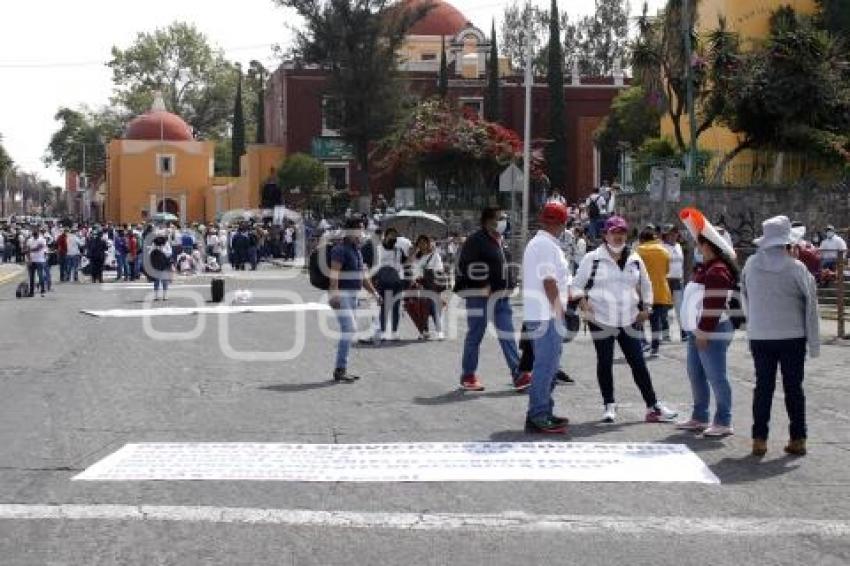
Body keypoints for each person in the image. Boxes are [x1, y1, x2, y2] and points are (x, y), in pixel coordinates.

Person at [573, 215, 678, 424]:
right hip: (600, 319)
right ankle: (609, 405)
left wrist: (647, 307)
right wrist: (584, 304)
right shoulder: (592, 258)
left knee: (638, 363)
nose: (619, 236)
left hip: (629, 319)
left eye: (622, 232)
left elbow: (647, 285)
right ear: (605, 235)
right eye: (614, 232)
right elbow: (575, 286)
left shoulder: (635, 258)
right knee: (605, 362)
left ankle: (652, 406)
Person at [742, 216, 820, 457]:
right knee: (793, 388)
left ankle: (759, 439)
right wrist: (813, 341)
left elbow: (744, 294)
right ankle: (798, 438)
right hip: (792, 335)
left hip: (761, 335)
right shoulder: (796, 268)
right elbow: (811, 304)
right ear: (787, 242)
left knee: (763, 387)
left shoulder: (751, 264)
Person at [677, 209, 739, 437]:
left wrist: (703, 331)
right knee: (696, 373)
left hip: (710, 331)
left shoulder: (718, 271)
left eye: (700, 244)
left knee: (716, 376)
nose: (697, 248)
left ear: (710, 247)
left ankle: (724, 420)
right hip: (699, 331)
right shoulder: (707, 268)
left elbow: (714, 304)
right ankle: (700, 416)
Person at [453, 207, 521, 391]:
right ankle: (468, 375)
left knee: (507, 334)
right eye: (500, 218)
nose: (504, 221)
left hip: (501, 297)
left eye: (504, 217)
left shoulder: (500, 240)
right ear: (487, 221)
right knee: (475, 335)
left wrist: (511, 283)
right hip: (479, 297)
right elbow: (466, 265)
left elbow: (505, 266)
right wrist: (482, 284)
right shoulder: (475, 241)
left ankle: (518, 373)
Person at [522, 202, 572, 433]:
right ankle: (538, 413)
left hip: (542, 312)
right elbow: (549, 281)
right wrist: (559, 309)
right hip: (547, 314)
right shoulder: (545, 246)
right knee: (546, 366)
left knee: (549, 366)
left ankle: (543, 410)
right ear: (561, 223)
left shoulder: (541, 243)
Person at [328, 217, 381, 382]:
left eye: (363, 229)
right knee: (349, 328)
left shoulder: (357, 250)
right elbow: (334, 274)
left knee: (349, 330)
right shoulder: (340, 249)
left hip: (353, 296)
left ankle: (341, 369)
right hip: (342, 295)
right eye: (359, 229)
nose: (362, 232)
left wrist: (374, 293)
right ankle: (340, 369)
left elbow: (363, 277)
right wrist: (334, 293)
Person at [636, 224, 672, 357]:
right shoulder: (664, 250)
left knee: (639, 319)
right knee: (655, 321)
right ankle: (655, 346)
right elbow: (667, 270)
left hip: (643, 291)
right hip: (661, 290)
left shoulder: (639, 251)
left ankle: (643, 342)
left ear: (642, 239)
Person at [372, 228, 409, 342]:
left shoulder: (399, 250)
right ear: (386, 236)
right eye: (391, 235)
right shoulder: (378, 249)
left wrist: (413, 253)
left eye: (395, 236)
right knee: (385, 307)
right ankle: (383, 332)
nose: (393, 238)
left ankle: (394, 332)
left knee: (396, 307)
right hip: (383, 281)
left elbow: (406, 263)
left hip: (396, 281)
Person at [411, 234, 446, 340]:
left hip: (432, 284)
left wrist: (428, 270)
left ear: (428, 243)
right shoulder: (417, 256)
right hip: (421, 284)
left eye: (424, 242)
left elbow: (439, 269)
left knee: (434, 307)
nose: (422, 245)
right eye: (419, 243)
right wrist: (416, 278)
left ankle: (439, 331)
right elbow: (414, 270)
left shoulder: (435, 255)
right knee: (422, 308)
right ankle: (424, 331)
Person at [661, 224, 686, 341]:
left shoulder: (679, 246)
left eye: (675, 233)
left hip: (677, 280)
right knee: (665, 309)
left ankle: (683, 332)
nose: (673, 236)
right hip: (666, 280)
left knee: (680, 307)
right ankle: (665, 333)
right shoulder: (661, 247)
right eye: (671, 233)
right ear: (666, 235)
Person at [148, 234, 174, 301]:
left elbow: (170, 252)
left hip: (164, 264)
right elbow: (150, 252)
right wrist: (156, 250)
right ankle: (156, 296)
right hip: (156, 264)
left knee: (164, 280)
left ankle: (165, 296)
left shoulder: (166, 244)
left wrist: (162, 250)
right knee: (156, 280)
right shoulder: (154, 244)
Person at [25, 229, 47, 297]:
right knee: (31, 277)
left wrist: (29, 250)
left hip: (40, 260)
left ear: (38, 233)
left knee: (40, 276)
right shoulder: (29, 240)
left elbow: (39, 248)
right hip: (32, 260)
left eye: (36, 234)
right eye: (34, 234)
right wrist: (29, 260)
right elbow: (27, 251)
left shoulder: (42, 239)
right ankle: (31, 292)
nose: (35, 235)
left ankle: (42, 290)